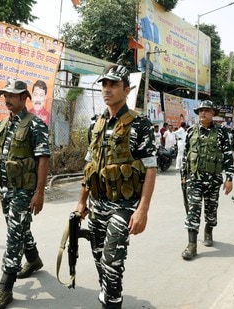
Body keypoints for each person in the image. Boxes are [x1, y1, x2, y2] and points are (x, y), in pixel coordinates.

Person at [75, 64, 157, 308]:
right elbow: (91, 166)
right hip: (97, 204)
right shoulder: (95, 125)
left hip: (124, 206)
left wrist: (142, 210)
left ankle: (111, 302)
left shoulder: (140, 125)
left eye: (113, 85)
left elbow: (150, 168)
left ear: (127, 89)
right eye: (104, 84)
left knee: (112, 262)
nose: (107, 89)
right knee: (100, 260)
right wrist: (81, 201)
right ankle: (108, 297)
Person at [0, 78, 51, 309]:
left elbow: (43, 160)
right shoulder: (3, 124)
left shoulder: (35, 125)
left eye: (12, 95)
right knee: (20, 226)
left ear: (24, 98)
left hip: (24, 189)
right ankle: (33, 259)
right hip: (5, 188)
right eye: (5, 95)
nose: (7, 99)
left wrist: (39, 193)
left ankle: (5, 286)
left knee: (13, 235)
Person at [180, 100, 234, 260]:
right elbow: (186, 154)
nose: (203, 113)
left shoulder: (221, 132)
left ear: (213, 113)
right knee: (193, 210)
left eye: (206, 110)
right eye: (201, 110)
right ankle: (192, 245)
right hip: (194, 179)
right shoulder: (191, 131)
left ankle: (209, 230)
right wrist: (183, 175)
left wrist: (229, 178)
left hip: (213, 179)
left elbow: (228, 155)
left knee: (211, 211)